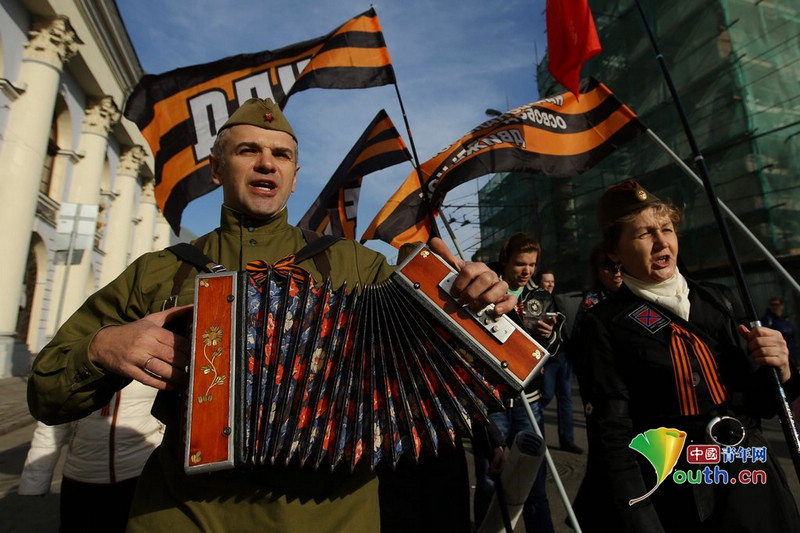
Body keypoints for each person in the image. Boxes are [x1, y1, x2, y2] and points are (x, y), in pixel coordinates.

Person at [26, 98, 516, 532]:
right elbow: (45, 392)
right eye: (247, 151)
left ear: (295, 175)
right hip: (186, 514)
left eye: (281, 154)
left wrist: (481, 301)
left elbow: (470, 357)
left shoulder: (357, 267)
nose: (266, 163)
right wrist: (100, 348)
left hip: (331, 516)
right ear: (216, 169)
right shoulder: (161, 272)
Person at [571, 179, 800, 532]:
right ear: (614, 251)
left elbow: (760, 404)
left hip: (751, 473)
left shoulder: (718, 299)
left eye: (667, 228)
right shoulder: (605, 324)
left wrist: (782, 368)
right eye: (644, 234)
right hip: (681, 491)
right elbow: (613, 439)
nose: (662, 241)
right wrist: (639, 518)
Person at [473, 232, 561, 533]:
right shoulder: (483, 289)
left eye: (532, 264)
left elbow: (553, 350)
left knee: (534, 485)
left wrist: (548, 337)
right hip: (492, 401)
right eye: (520, 264)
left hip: (529, 401)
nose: (527, 271)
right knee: (488, 483)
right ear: (505, 261)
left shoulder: (540, 296)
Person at [19, 381, 163, 532]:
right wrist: (35, 479)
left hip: (141, 473)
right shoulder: (78, 359)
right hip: (82, 475)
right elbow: (53, 423)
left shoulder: (152, 359)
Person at [538, 269, 583, 454]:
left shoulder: (557, 300)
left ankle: (567, 440)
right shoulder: (535, 302)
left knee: (565, 399)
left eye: (552, 281)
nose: (550, 284)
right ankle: (532, 431)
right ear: (539, 283)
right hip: (547, 359)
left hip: (563, 356)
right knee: (546, 396)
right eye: (547, 281)